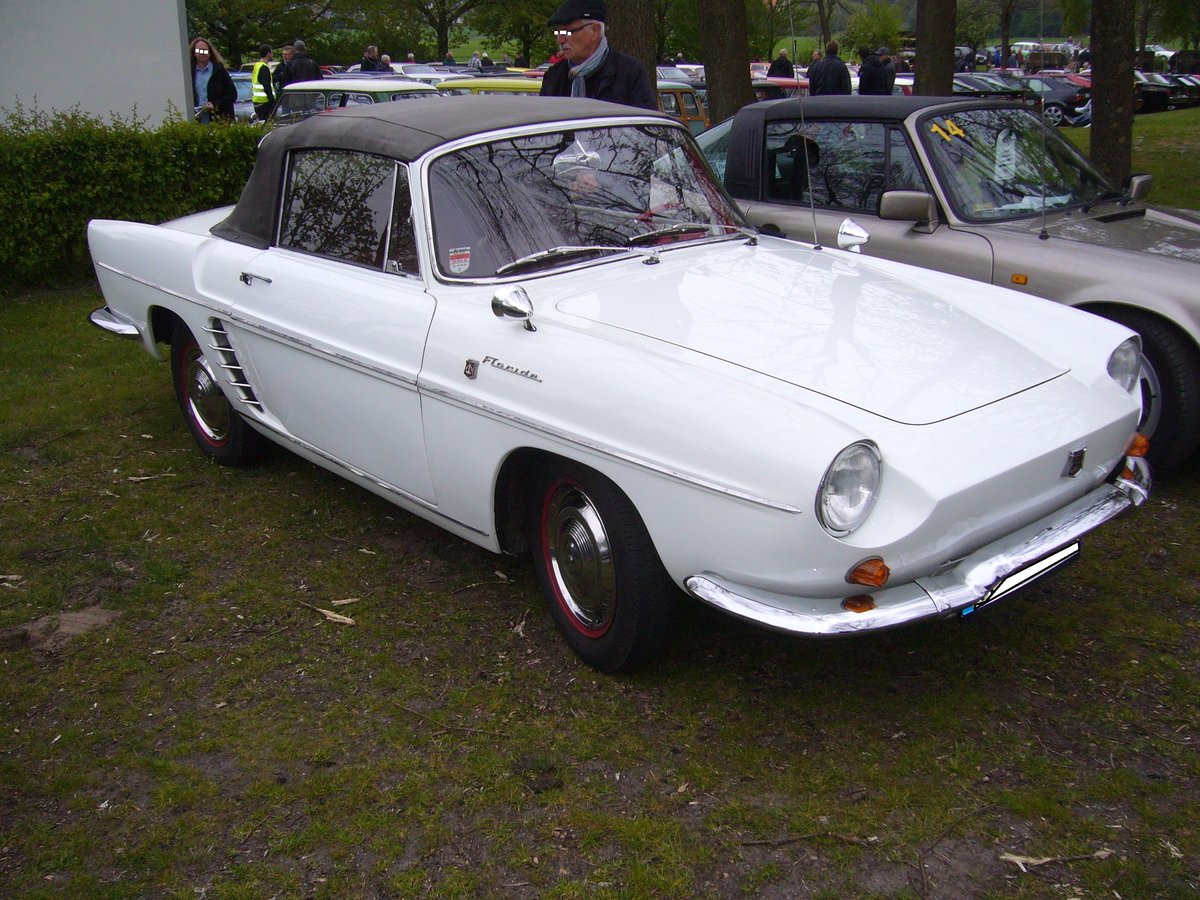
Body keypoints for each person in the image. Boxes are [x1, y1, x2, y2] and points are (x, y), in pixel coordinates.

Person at [539, 0, 656, 110]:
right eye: (558, 33)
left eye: (568, 32)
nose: (560, 40)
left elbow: (645, 122)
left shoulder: (630, 74)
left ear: (595, 31)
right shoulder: (554, 78)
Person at [188, 37, 236, 123]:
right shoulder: (189, 72)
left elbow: (232, 95)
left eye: (204, 50)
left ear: (210, 53)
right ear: (194, 53)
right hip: (197, 120)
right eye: (199, 51)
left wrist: (215, 104)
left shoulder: (219, 71)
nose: (202, 53)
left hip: (218, 120)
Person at [251, 44, 275, 121]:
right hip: (265, 102)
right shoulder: (264, 68)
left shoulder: (257, 66)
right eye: (271, 52)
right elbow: (266, 86)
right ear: (268, 54)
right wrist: (272, 100)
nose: (272, 54)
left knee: (261, 122)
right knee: (267, 122)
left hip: (257, 101)